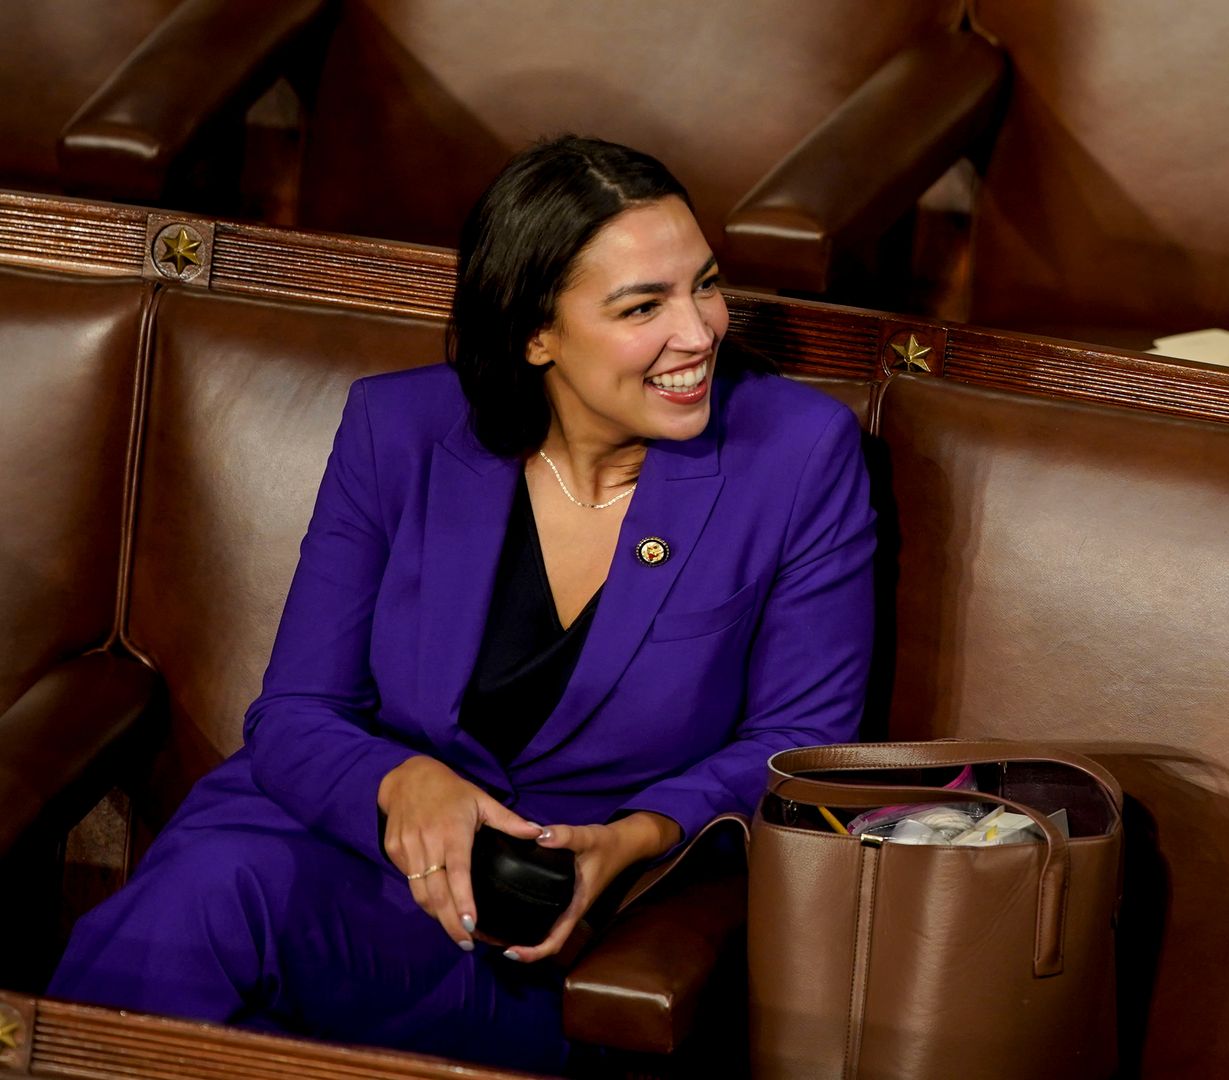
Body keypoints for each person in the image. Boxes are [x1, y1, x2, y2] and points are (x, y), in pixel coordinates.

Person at [49, 136, 876, 1073]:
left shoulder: (798, 453)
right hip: (355, 864)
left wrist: (641, 836)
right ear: (536, 333)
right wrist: (404, 784)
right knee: (197, 906)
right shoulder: (395, 431)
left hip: (575, 917)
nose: (700, 332)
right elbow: (294, 716)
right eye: (643, 306)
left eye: (706, 284)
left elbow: (800, 739)